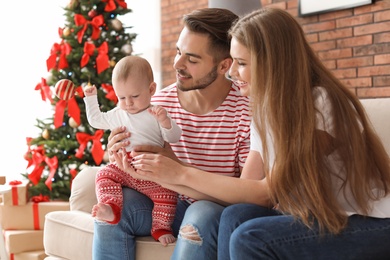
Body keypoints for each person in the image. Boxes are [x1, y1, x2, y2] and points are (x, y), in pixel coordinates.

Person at [120, 7, 390, 259]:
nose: (233, 72)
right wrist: (154, 172)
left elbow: (266, 193)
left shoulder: (319, 103)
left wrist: (179, 172)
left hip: (370, 221)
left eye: (242, 63)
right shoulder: (266, 110)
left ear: (273, 62)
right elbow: (242, 192)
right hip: (326, 217)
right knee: (236, 216)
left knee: (250, 238)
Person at [93, 8, 251, 260]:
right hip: (159, 202)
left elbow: (245, 197)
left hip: (208, 208)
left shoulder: (245, 112)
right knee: (111, 209)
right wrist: (117, 148)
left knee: (203, 213)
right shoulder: (157, 102)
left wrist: (177, 169)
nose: (177, 64)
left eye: (192, 59)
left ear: (224, 65)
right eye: (179, 52)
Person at [83, 55, 182, 246]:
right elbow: (96, 121)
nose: (128, 103)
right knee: (103, 175)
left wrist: (165, 122)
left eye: (134, 96)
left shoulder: (156, 113)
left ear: (151, 89)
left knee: (168, 194)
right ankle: (111, 206)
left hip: (150, 171)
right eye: (121, 97)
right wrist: (91, 98)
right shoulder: (118, 114)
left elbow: (173, 138)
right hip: (123, 167)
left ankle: (160, 227)